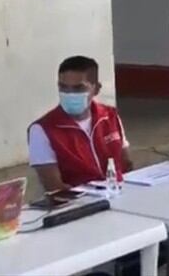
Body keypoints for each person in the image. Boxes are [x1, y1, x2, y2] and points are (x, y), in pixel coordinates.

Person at [29, 56, 132, 191]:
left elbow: (127, 166)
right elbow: (54, 188)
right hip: (81, 204)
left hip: (119, 194)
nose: (69, 94)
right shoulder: (42, 130)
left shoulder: (110, 116)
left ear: (96, 89)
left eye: (78, 88)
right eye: (63, 88)